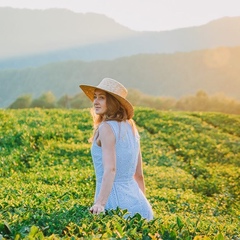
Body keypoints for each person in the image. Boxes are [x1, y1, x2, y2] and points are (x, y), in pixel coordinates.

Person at [79, 77, 153, 220]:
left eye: (102, 98)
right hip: (141, 205)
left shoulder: (106, 128)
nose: (95, 102)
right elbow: (139, 175)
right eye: (95, 97)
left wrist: (100, 203)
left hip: (115, 205)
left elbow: (110, 169)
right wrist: (142, 202)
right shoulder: (131, 126)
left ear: (113, 103)